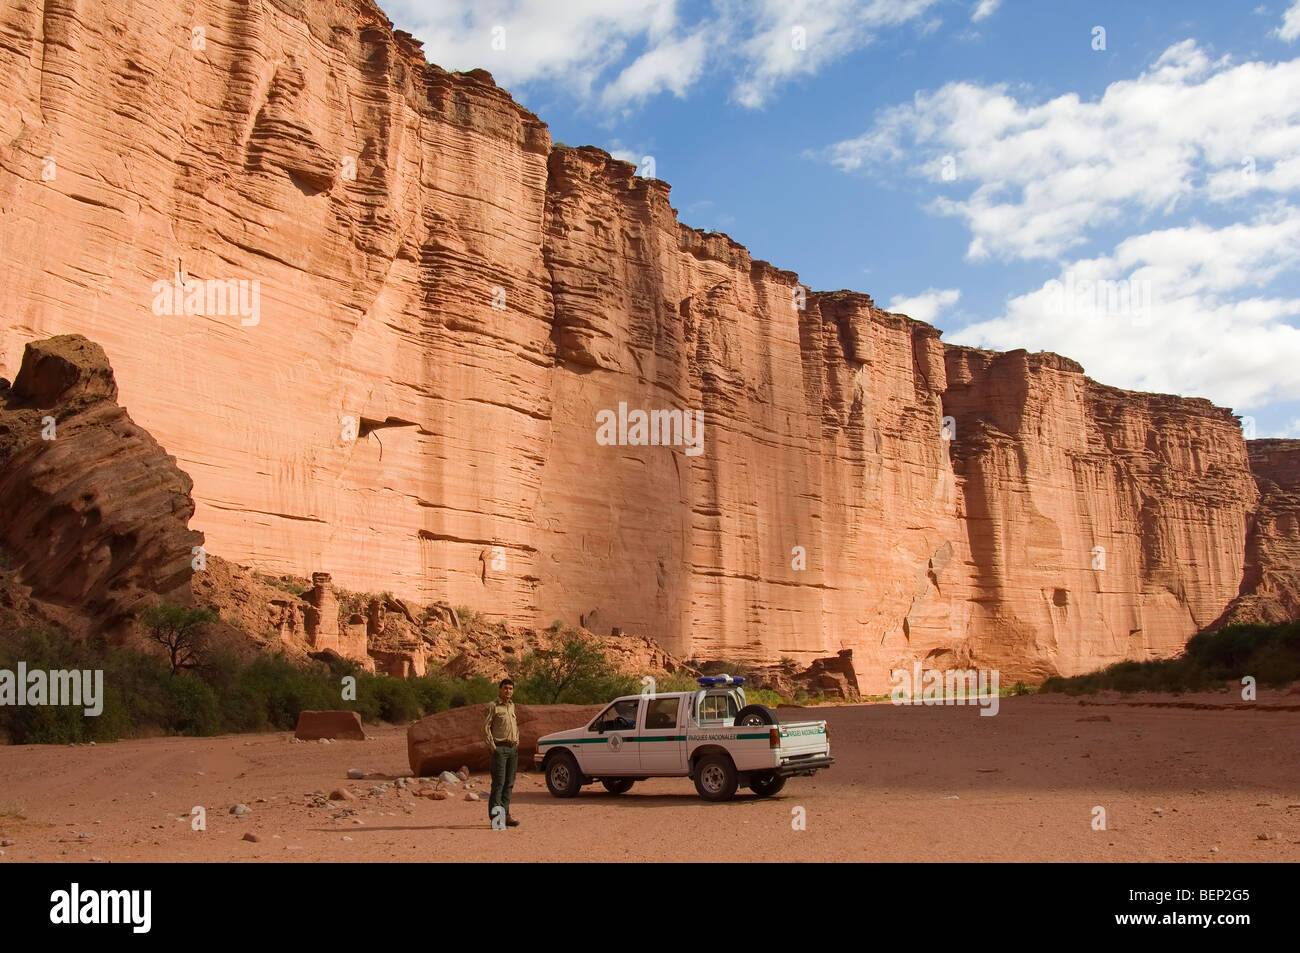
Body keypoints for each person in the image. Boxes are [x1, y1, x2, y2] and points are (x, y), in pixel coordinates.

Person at [484, 678, 520, 828]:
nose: (508, 691)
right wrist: (492, 746)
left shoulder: (512, 706)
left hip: (512, 749)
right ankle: (496, 819)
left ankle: (506, 815)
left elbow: (514, 725)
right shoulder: (493, 706)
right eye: (505, 688)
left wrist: (517, 738)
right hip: (500, 749)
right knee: (498, 784)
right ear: (499, 690)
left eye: (510, 689)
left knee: (509, 784)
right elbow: (486, 727)